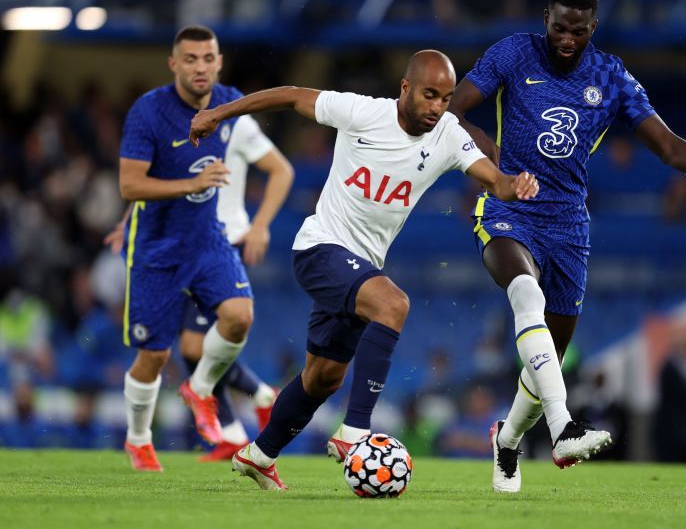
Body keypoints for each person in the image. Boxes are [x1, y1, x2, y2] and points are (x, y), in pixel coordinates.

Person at [189, 49, 539, 490]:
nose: (437, 107)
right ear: (406, 88)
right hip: (321, 248)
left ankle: (259, 455)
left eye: (446, 98)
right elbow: (292, 96)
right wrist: (220, 112)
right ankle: (354, 433)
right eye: (430, 95)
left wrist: (516, 184)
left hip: (361, 268)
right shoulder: (362, 112)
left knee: (322, 378)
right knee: (393, 304)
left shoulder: (448, 133)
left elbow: (495, 179)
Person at [447, 0, 686, 492]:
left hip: (568, 225)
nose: (567, 38)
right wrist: (488, 159)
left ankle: (508, 441)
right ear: (546, 18)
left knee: (549, 361)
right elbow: (453, 109)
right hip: (508, 209)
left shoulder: (610, 76)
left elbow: (666, 144)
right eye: (560, 27)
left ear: (593, 28)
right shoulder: (514, 53)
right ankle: (565, 429)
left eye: (578, 31)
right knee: (525, 292)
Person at [106, 85, 294, 463]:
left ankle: (241, 412)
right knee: (179, 350)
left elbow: (281, 169)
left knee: (197, 345)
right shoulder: (164, 121)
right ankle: (245, 412)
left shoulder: (236, 123)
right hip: (177, 242)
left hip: (222, 241)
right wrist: (128, 220)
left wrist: (260, 225)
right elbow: (150, 180)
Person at [116, 25, 266, 472]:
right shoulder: (148, 112)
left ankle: (199, 389)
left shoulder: (230, 101)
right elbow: (129, 183)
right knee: (156, 355)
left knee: (239, 315)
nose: (200, 67)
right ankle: (138, 439)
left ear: (218, 62)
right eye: (191, 59)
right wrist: (192, 183)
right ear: (174, 64)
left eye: (208, 58)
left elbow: (277, 161)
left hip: (208, 240)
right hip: (157, 249)